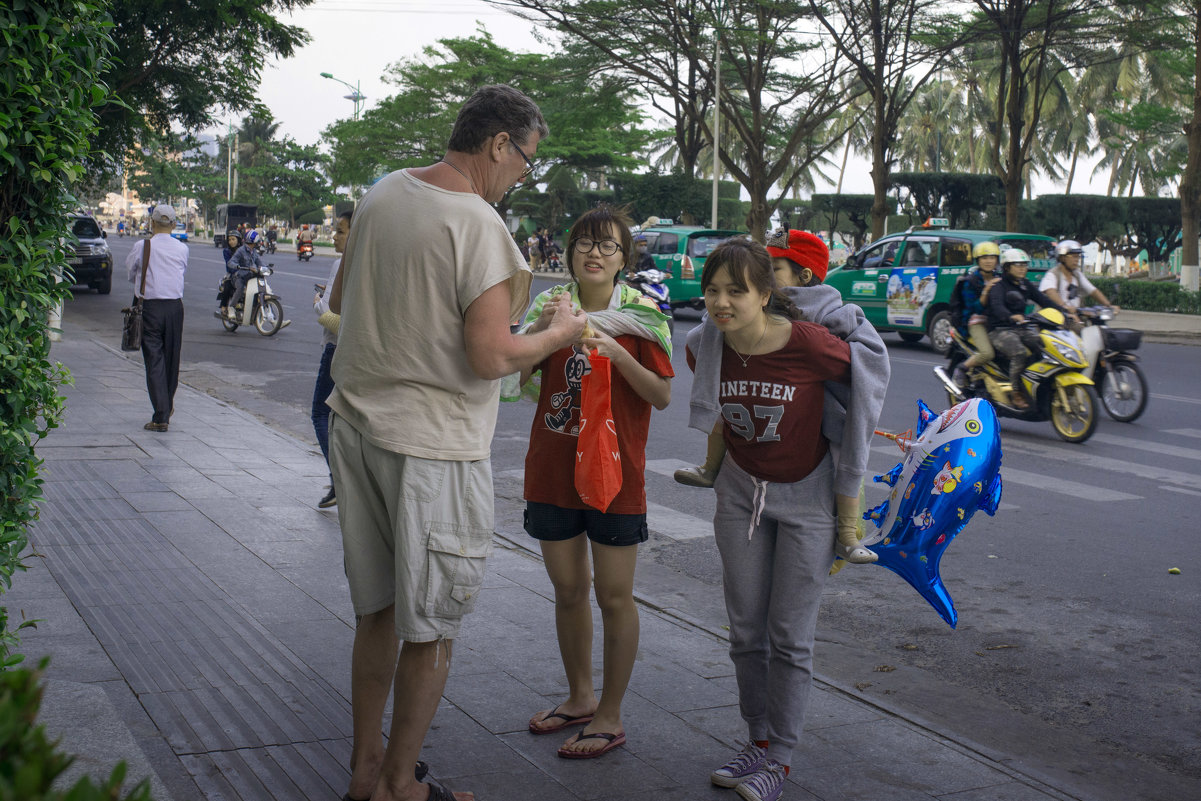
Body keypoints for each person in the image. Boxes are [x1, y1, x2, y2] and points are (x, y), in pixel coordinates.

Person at [324, 84, 586, 801]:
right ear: (499, 144)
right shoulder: (478, 225)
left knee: (375, 611)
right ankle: (401, 782)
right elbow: (492, 356)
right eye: (524, 161)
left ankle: (362, 769)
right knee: (431, 626)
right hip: (433, 449)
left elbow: (342, 303)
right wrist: (558, 332)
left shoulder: (381, 193)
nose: (520, 177)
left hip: (356, 429)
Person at [685, 238, 887, 801]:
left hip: (810, 499)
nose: (721, 302)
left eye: (736, 291)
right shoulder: (707, 345)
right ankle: (757, 741)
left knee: (790, 637)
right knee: (746, 631)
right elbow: (717, 413)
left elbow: (864, 379)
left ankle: (782, 757)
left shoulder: (808, 343)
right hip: (740, 495)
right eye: (713, 291)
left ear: (767, 294)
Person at [518, 205, 673, 758]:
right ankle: (580, 696)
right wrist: (542, 331)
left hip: (616, 472)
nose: (594, 253)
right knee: (567, 591)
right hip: (553, 468)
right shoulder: (547, 307)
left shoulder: (645, 315)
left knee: (613, 595)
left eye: (607, 245)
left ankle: (610, 714)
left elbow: (660, 394)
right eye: (584, 243)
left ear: (624, 258)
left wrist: (614, 354)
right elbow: (518, 376)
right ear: (568, 253)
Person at [675, 228, 889, 565]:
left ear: (803, 276)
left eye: (772, 270)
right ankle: (710, 466)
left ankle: (847, 531)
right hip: (747, 446)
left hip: (820, 416)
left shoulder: (824, 313)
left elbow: (863, 357)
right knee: (725, 406)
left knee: (848, 448)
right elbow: (698, 346)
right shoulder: (729, 320)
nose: (762, 275)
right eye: (713, 290)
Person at [125, 205, 188, 433]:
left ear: (151, 223)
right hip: (174, 308)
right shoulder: (182, 249)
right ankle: (166, 405)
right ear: (173, 224)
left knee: (154, 360)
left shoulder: (142, 246)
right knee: (172, 358)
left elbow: (131, 272)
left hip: (149, 308)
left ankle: (161, 413)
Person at [986, 248, 1068, 410]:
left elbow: (1043, 300)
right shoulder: (999, 286)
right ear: (1007, 267)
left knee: (1043, 345)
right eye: (1018, 265)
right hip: (999, 330)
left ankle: (1037, 384)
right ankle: (1016, 392)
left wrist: (1064, 311)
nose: (1023, 268)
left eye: (1024, 265)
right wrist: (1011, 316)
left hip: (1021, 327)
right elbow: (997, 307)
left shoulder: (1024, 285)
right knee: (1019, 353)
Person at [312, 210, 352, 509]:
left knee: (320, 413)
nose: (335, 236)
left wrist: (318, 306)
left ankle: (339, 480)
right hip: (356, 353)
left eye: (340, 231)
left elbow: (332, 317)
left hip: (336, 348)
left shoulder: (343, 263)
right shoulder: (372, 264)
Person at [950, 242, 1002, 387]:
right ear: (978, 260)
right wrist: (987, 290)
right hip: (976, 321)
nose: (988, 261)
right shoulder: (971, 281)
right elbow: (974, 308)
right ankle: (961, 369)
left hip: (997, 321)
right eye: (984, 258)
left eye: (992, 258)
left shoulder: (1001, 278)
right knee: (987, 353)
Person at [1040, 239, 1120, 330]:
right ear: (1062, 258)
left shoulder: (1077, 274)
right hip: (1057, 319)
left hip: (1075, 316)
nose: (1077, 260)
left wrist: (1108, 306)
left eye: (1078, 257)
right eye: (1073, 256)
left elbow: (1092, 290)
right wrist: (1064, 307)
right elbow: (1051, 292)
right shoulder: (1053, 274)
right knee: (1082, 332)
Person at [221, 229, 265, 319]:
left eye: (233, 239)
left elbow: (259, 262)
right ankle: (231, 307)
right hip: (237, 275)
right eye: (229, 240)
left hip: (249, 275)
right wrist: (238, 267)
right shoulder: (239, 251)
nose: (231, 242)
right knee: (238, 287)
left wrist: (265, 269)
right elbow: (230, 263)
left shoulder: (254, 252)